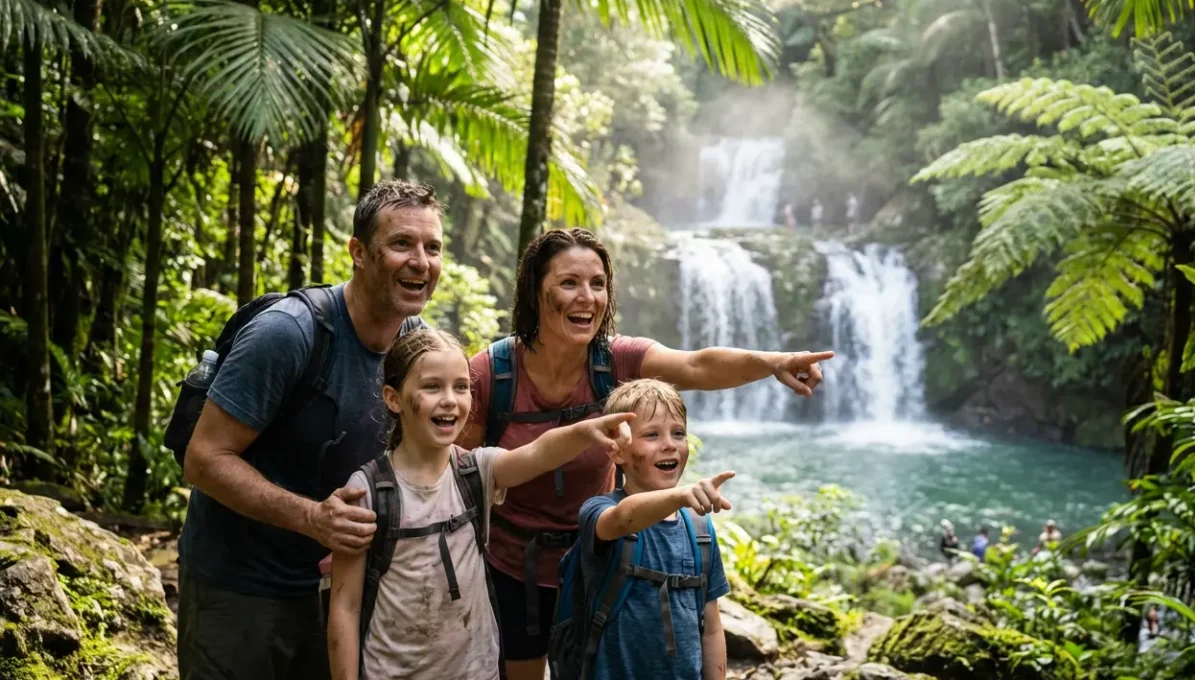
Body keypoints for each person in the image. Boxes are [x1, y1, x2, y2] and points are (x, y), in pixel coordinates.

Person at [457, 228, 833, 680]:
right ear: (536, 292)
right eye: (569, 283)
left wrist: (774, 363)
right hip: (511, 568)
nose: (588, 297)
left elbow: (696, 365)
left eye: (598, 284)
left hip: (604, 565)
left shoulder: (615, 360)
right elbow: (455, 474)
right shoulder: (491, 374)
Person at [177, 180, 444, 680]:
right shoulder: (289, 332)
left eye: (432, 248)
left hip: (338, 593)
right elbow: (204, 459)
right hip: (241, 588)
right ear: (359, 252)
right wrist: (312, 518)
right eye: (402, 244)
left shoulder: (416, 346)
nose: (420, 261)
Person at [326, 328, 636, 680]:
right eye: (432, 387)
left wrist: (586, 431)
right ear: (393, 398)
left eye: (461, 387)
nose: (449, 399)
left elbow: (538, 453)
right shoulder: (367, 492)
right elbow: (345, 606)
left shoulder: (476, 471)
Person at [577, 379, 732, 680]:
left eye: (678, 433)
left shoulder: (699, 528)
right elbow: (624, 518)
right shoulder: (598, 512)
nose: (669, 444)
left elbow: (711, 627)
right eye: (651, 435)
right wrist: (681, 495)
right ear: (616, 451)